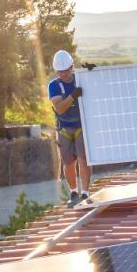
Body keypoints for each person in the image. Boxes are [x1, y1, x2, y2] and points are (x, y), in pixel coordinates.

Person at [49, 50, 91, 207]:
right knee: (68, 162)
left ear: (72, 67)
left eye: (66, 70)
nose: (63, 74)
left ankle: (85, 193)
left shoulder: (80, 79)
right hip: (64, 129)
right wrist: (73, 96)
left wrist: (92, 73)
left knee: (83, 159)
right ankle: (74, 192)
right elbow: (59, 109)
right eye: (60, 71)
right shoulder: (54, 86)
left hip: (81, 126)